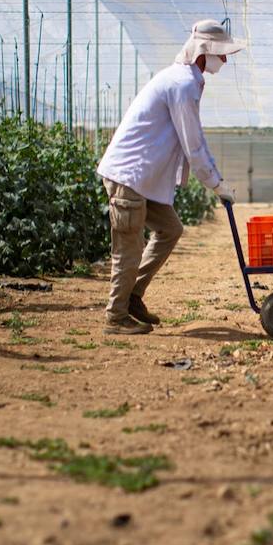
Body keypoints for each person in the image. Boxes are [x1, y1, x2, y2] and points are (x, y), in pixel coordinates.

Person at [94, 20, 242, 334]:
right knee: (129, 247)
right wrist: (217, 185)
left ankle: (132, 296)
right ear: (205, 50)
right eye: (222, 53)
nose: (225, 60)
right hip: (129, 176)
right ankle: (116, 316)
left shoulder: (187, 79)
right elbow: (193, 144)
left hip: (142, 178)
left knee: (170, 229)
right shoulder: (182, 84)